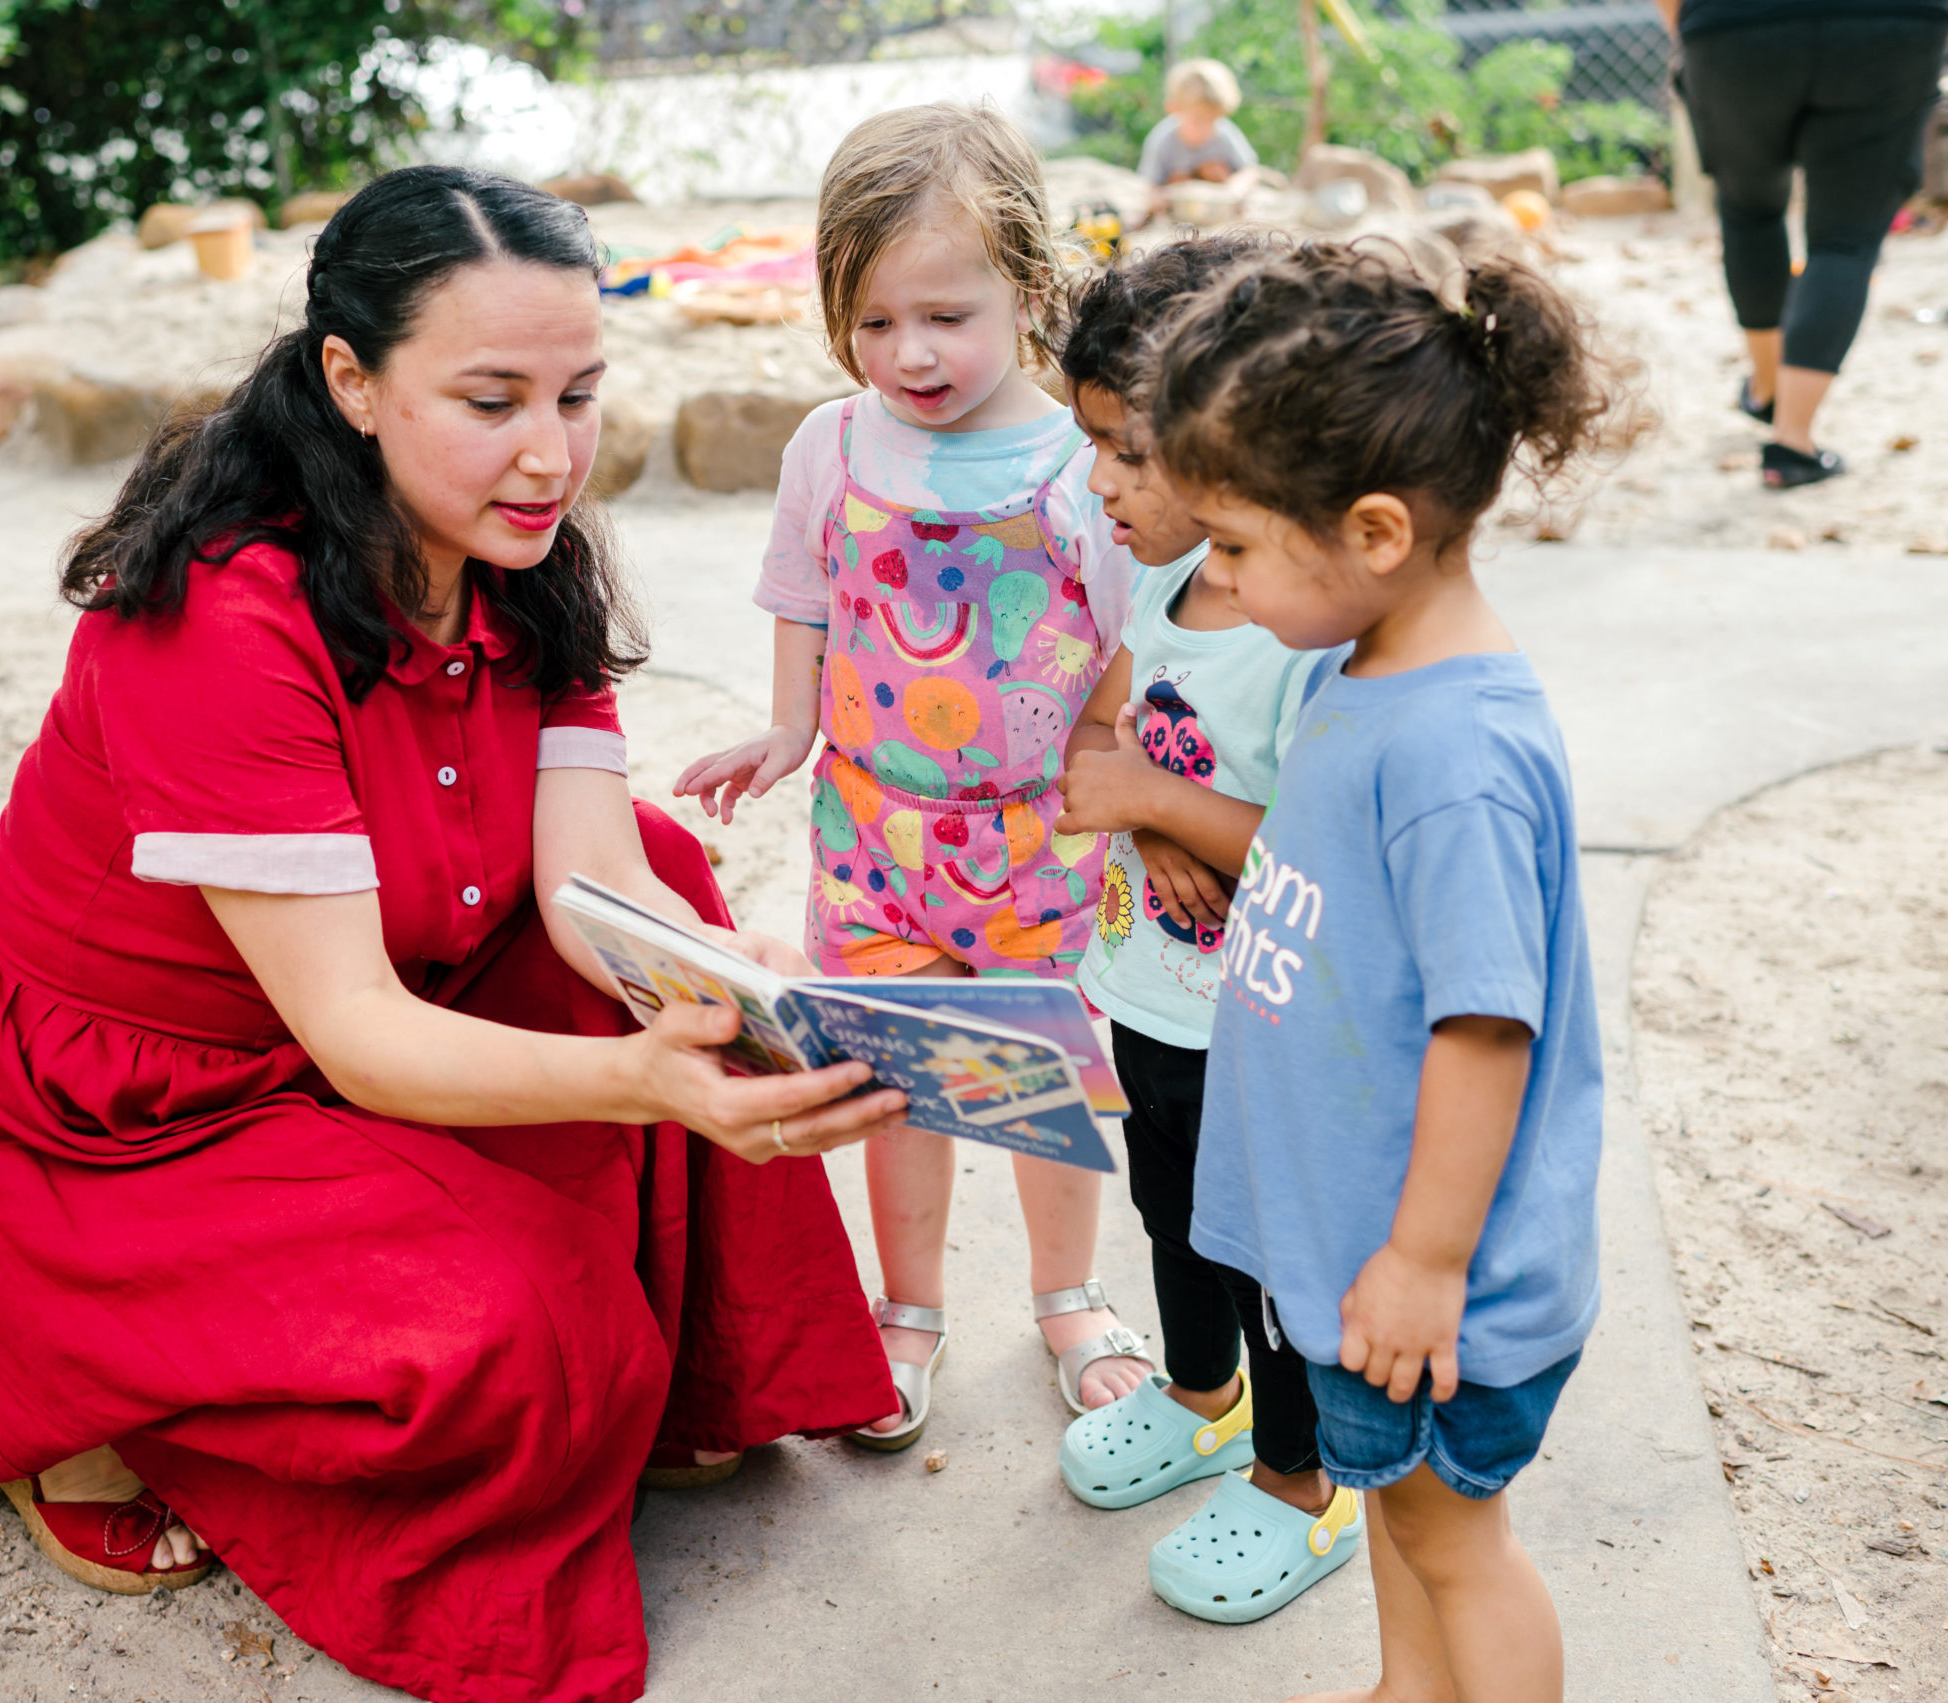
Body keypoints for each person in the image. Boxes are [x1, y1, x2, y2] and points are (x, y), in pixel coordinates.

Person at [0, 165, 908, 1703]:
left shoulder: (526, 556)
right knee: (530, 1327)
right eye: (491, 399)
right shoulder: (224, 610)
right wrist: (655, 1083)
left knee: (663, 857)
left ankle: (638, 1354)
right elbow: (356, 1031)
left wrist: (745, 993)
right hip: (122, 1112)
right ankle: (94, 1406)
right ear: (351, 379)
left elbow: (601, 878)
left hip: (357, 1002)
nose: (550, 453)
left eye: (579, 395)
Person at [1146, 241, 1617, 1701]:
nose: (1206, 575)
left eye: (1231, 544)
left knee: (1457, 1539)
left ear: (1373, 530)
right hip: (1358, 1256)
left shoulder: (1452, 753)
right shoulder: (1360, 676)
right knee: (1405, 1522)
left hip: (1430, 1287)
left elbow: (1487, 1032)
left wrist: (1420, 1261)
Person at [674, 101, 1148, 1454]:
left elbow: (1119, 647)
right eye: (873, 323)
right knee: (899, 1077)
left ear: (1030, 285)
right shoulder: (833, 444)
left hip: (1040, 837)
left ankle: (1070, 1294)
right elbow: (803, 594)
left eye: (946, 313)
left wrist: (1128, 800)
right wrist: (784, 729)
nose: (910, 353)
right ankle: (911, 1307)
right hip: (876, 829)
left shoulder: (1078, 463)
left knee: (1040, 1075)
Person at [1045, 234, 1348, 1625]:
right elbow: (1104, 738)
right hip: (1153, 993)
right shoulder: (1161, 592)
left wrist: (1151, 796)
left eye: (1125, 453)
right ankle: (1198, 1391)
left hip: (1265, 1025)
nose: (1099, 483)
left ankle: (1305, 1477)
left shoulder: (1303, 635)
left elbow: (1315, 849)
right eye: (1089, 446)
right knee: (1170, 1213)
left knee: (1266, 1255)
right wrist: (1154, 819)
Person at [1662, 0, 1948, 488]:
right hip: (1887, 27)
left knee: (1749, 212)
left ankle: (1766, 388)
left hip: (1735, 28)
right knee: (1845, 240)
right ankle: (1791, 443)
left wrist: (1698, 32)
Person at [1137, 58, 1261, 210]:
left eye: (1214, 120)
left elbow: (1250, 170)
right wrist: (1164, 196)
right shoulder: (1161, 140)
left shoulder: (1224, 133)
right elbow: (1150, 185)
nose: (1208, 128)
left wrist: (1235, 188)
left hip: (1219, 211)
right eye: (1198, 121)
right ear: (1174, 108)